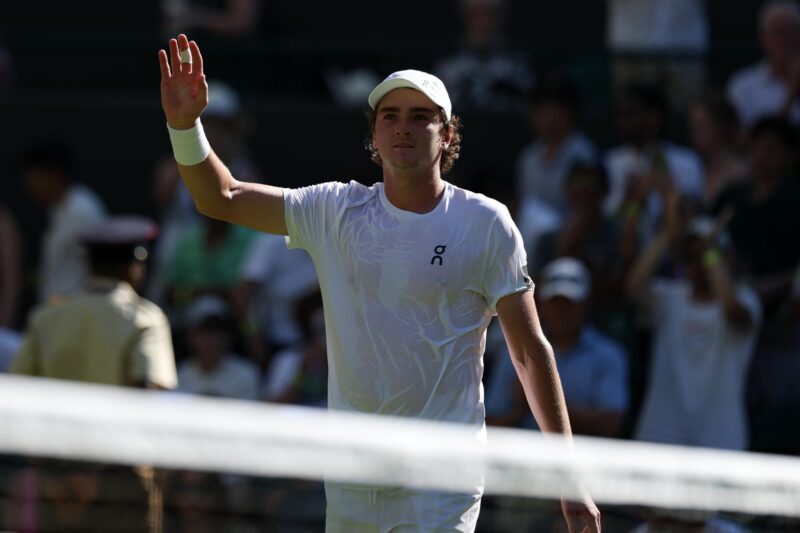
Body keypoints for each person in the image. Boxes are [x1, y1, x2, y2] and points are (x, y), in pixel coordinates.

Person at [158, 34, 600, 532]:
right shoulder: (334, 211)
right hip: (353, 474)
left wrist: (568, 473)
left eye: (420, 116)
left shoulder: (486, 223)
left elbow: (529, 352)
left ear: (447, 134)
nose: (403, 127)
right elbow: (221, 196)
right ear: (374, 133)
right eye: (390, 116)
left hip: (443, 477)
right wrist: (184, 126)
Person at [10, 216, 178, 533]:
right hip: (119, 480)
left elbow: (18, 396)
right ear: (135, 263)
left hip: (57, 479)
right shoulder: (145, 319)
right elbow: (148, 399)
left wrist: (54, 470)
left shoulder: (47, 317)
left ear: (88, 264)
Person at [625, 189, 761, 450]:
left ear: (726, 258)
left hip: (720, 442)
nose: (699, 265)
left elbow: (732, 310)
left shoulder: (747, 300)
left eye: (706, 257)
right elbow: (633, 287)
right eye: (692, 257)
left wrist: (710, 252)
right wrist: (667, 234)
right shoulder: (669, 298)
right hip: (661, 438)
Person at [486, 258, 629, 438]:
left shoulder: (609, 356)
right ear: (540, 304)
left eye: (570, 303)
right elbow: (491, 424)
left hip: (582, 456)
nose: (562, 311)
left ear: (586, 304)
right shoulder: (511, 350)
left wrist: (537, 400)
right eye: (555, 302)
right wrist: (521, 410)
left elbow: (610, 423)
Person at [19, 140, 107, 303]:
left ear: (52, 175)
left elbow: (101, 270)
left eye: (33, 178)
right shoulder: (57, 209)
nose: (29, 186)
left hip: (77, 313)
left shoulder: (82, 211)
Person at [515, 75, 598, 215]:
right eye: (543, 109)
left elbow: (586, 214)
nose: (550, 117)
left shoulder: (585, 155)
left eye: (557, 108)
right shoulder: (528, 158)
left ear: (571, 112)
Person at [726, 0, 800, 126]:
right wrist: (790, 98)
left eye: (791, 32)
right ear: (763, 36)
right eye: (777, 31)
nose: (783, 39)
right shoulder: (743, 87)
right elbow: (750, 136)